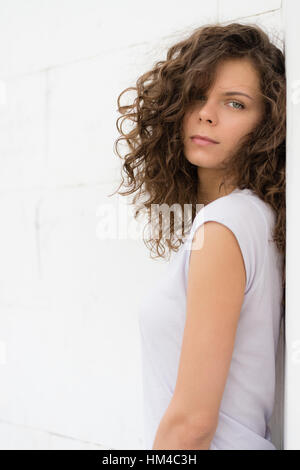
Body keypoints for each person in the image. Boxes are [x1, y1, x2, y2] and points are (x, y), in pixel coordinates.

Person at [112, 22, 286, 450]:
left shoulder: (225, 225)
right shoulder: (253, 218)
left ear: (268, 125)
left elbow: (192, 424)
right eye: (196, 95)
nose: (207, 113)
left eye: (235, 103)